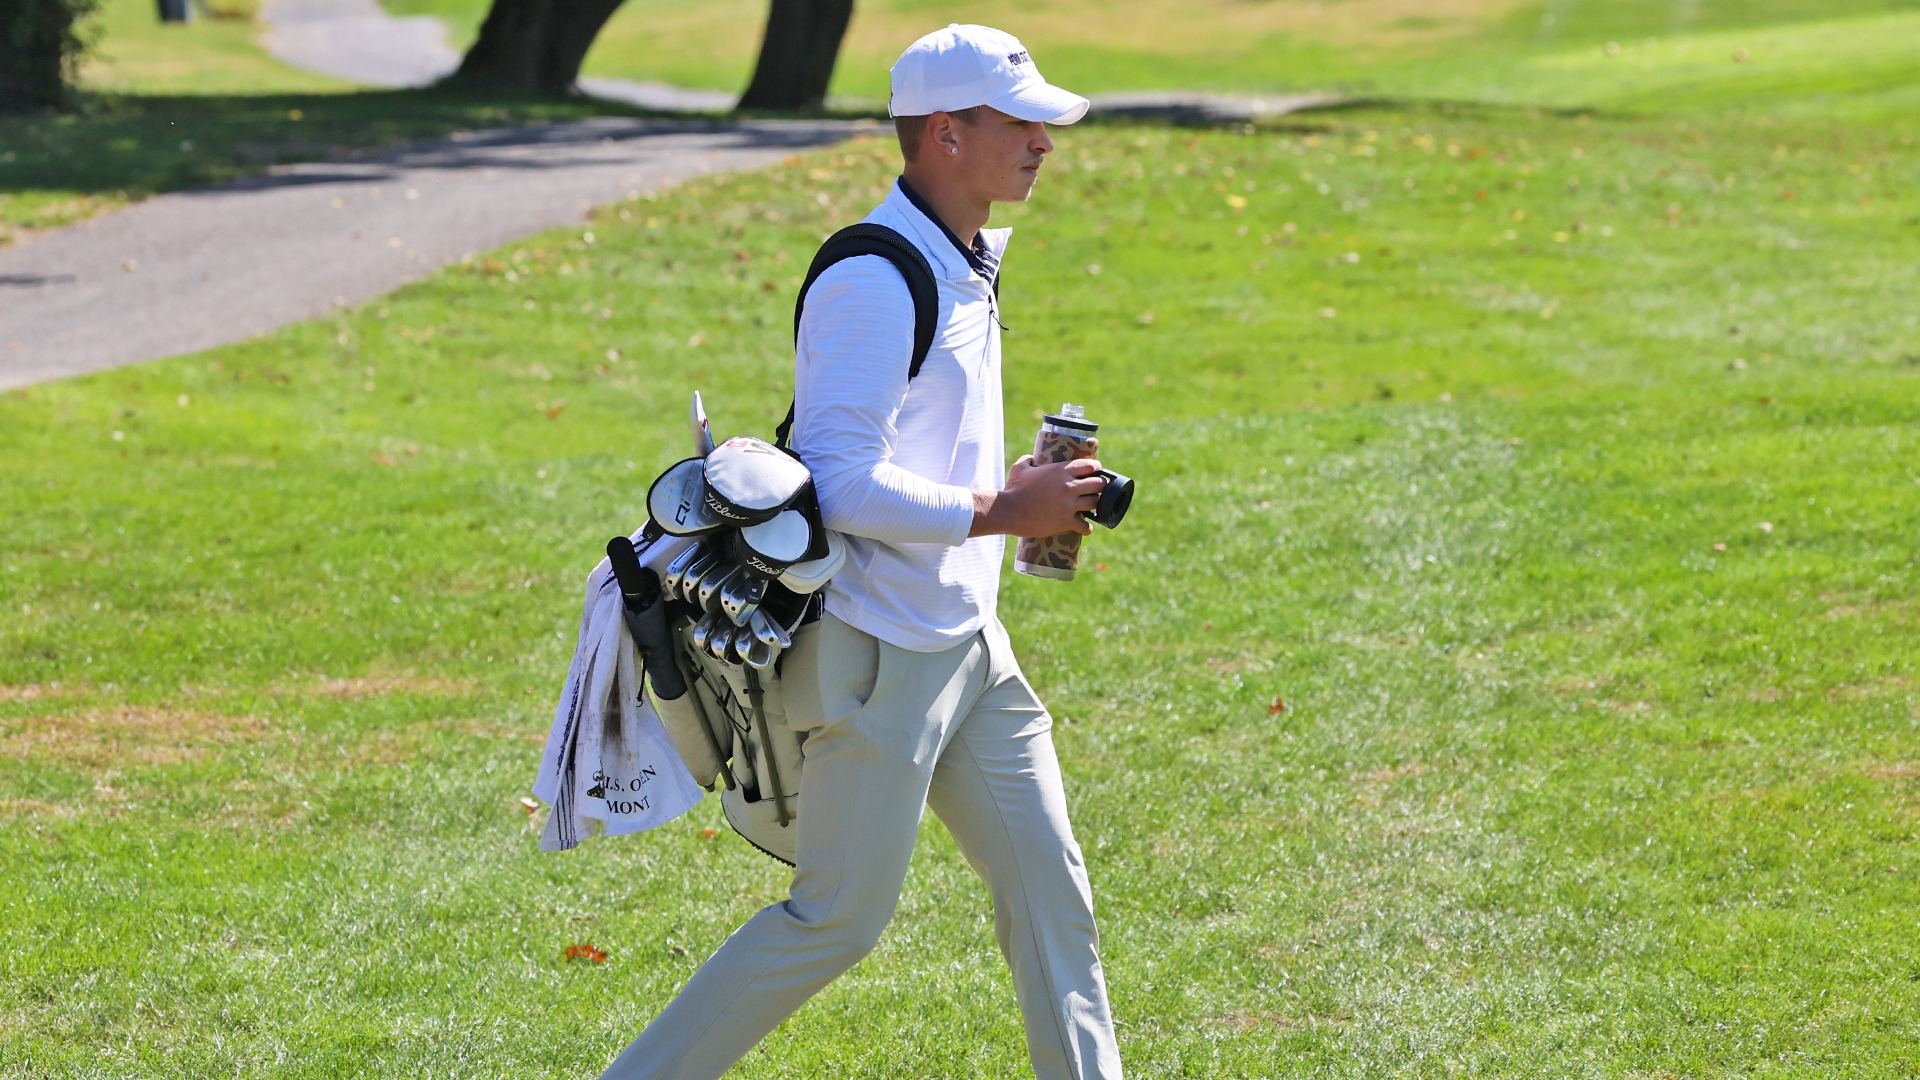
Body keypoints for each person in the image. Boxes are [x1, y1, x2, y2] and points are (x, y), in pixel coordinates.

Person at [598, 24, 1122, 1080]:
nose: (1044, 143)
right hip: (879, 655)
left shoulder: (962, 257)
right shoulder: (875, 278)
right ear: (946, 132)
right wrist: (1000, 510)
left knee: (1050, 892)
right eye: (1020, 124)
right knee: (836, 919)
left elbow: (912, 445)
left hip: (970, 645)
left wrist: (1028, 492)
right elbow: (841, 480)